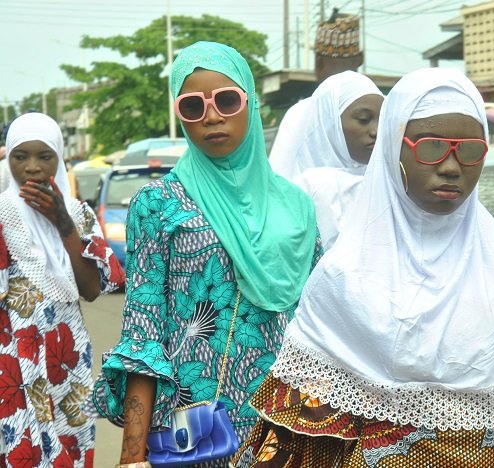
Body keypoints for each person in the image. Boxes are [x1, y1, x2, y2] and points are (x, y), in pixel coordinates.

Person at [232, 68, 494, 467]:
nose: (451, 166)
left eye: (470, 150)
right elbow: (304, 440)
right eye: (431, 147)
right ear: (395, 150)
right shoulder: (342, 276)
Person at [90, 41, 323, 467]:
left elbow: (320, 325)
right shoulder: (158, 204)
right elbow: (143, 330)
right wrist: (131, 456)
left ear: (250, 104)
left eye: (227, 100)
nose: (211, 116)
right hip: (190, 430)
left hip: (283, 425)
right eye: (193, 107)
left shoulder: (296, 207)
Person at [0, 113, 125, 467]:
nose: (33, 168)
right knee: (21, 450)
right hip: (14, 356)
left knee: (71, 443)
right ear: (8, 159)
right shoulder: (2, 212)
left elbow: (90, 289)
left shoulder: (78, 213)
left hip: (67, 356)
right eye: (20, 157)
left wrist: (62, 222)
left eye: (45, 156)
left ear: (59, 158)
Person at [276, 71, 383, 249]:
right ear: (329, 123)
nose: (376, 131)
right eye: (364, 120)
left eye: (383, 119)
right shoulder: (306, 190)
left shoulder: (388, 185)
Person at [268, 10, 364, 167]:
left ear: (318, 63)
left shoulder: (300, 113)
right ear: (361, 59)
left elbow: (278, 177)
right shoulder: (382, 108)